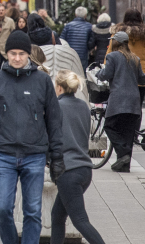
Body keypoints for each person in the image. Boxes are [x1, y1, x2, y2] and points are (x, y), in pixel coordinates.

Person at [0, 29, 65, 244]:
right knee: (3, 209)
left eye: (21, 54)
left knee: (33, 211)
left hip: (34, 154)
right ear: (6, 54)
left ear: (29, 55)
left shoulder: (42, 81)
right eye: (13, 53)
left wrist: (57, 156)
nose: (17, 58)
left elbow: (54, 120)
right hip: (3, 154)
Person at [50, 70, 105, 244]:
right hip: (84, 170)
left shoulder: (56, 107)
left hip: (68, 171)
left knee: (80, 220)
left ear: (59, 87)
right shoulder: (83, 106)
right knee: (57, 216)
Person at [97, 32, 145, 172]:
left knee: (109, 126)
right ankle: (124, 165)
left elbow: (106, 74)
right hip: (133, 100)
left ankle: (122, 151)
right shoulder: (135, 58)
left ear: (116, 42)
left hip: (119, 98)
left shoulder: (112, 56)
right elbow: (142, 79)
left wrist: (97, 73)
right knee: (128, 132)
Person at [111, 9, 145, 99]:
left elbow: (109, 54)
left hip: (123, 74)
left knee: (124, 104)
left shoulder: (118, 34)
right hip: (143, 73)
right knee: (139, 104)